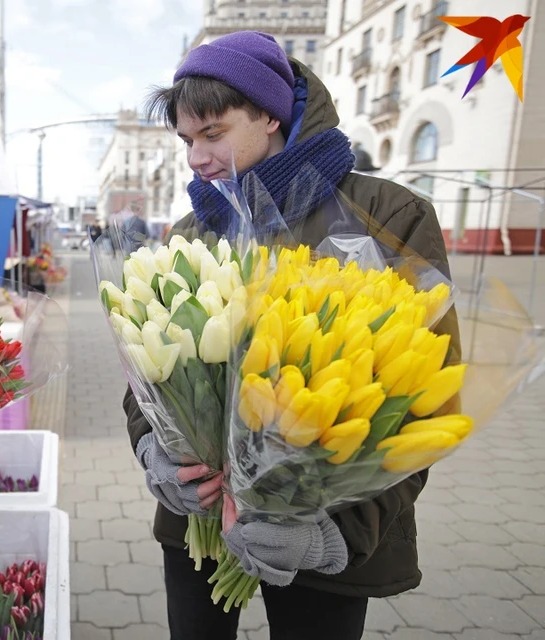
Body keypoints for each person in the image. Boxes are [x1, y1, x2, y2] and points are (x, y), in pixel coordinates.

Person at [128, 31, 459, 640]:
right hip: (199, 518)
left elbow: (424, 397)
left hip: (324, 525)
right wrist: (153, 452)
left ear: (271, 116)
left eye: (213, 133)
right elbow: (143, 366)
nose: (195, 158)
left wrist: (333, 538)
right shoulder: (189, 231)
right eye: (185, 141)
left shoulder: (387, 216)